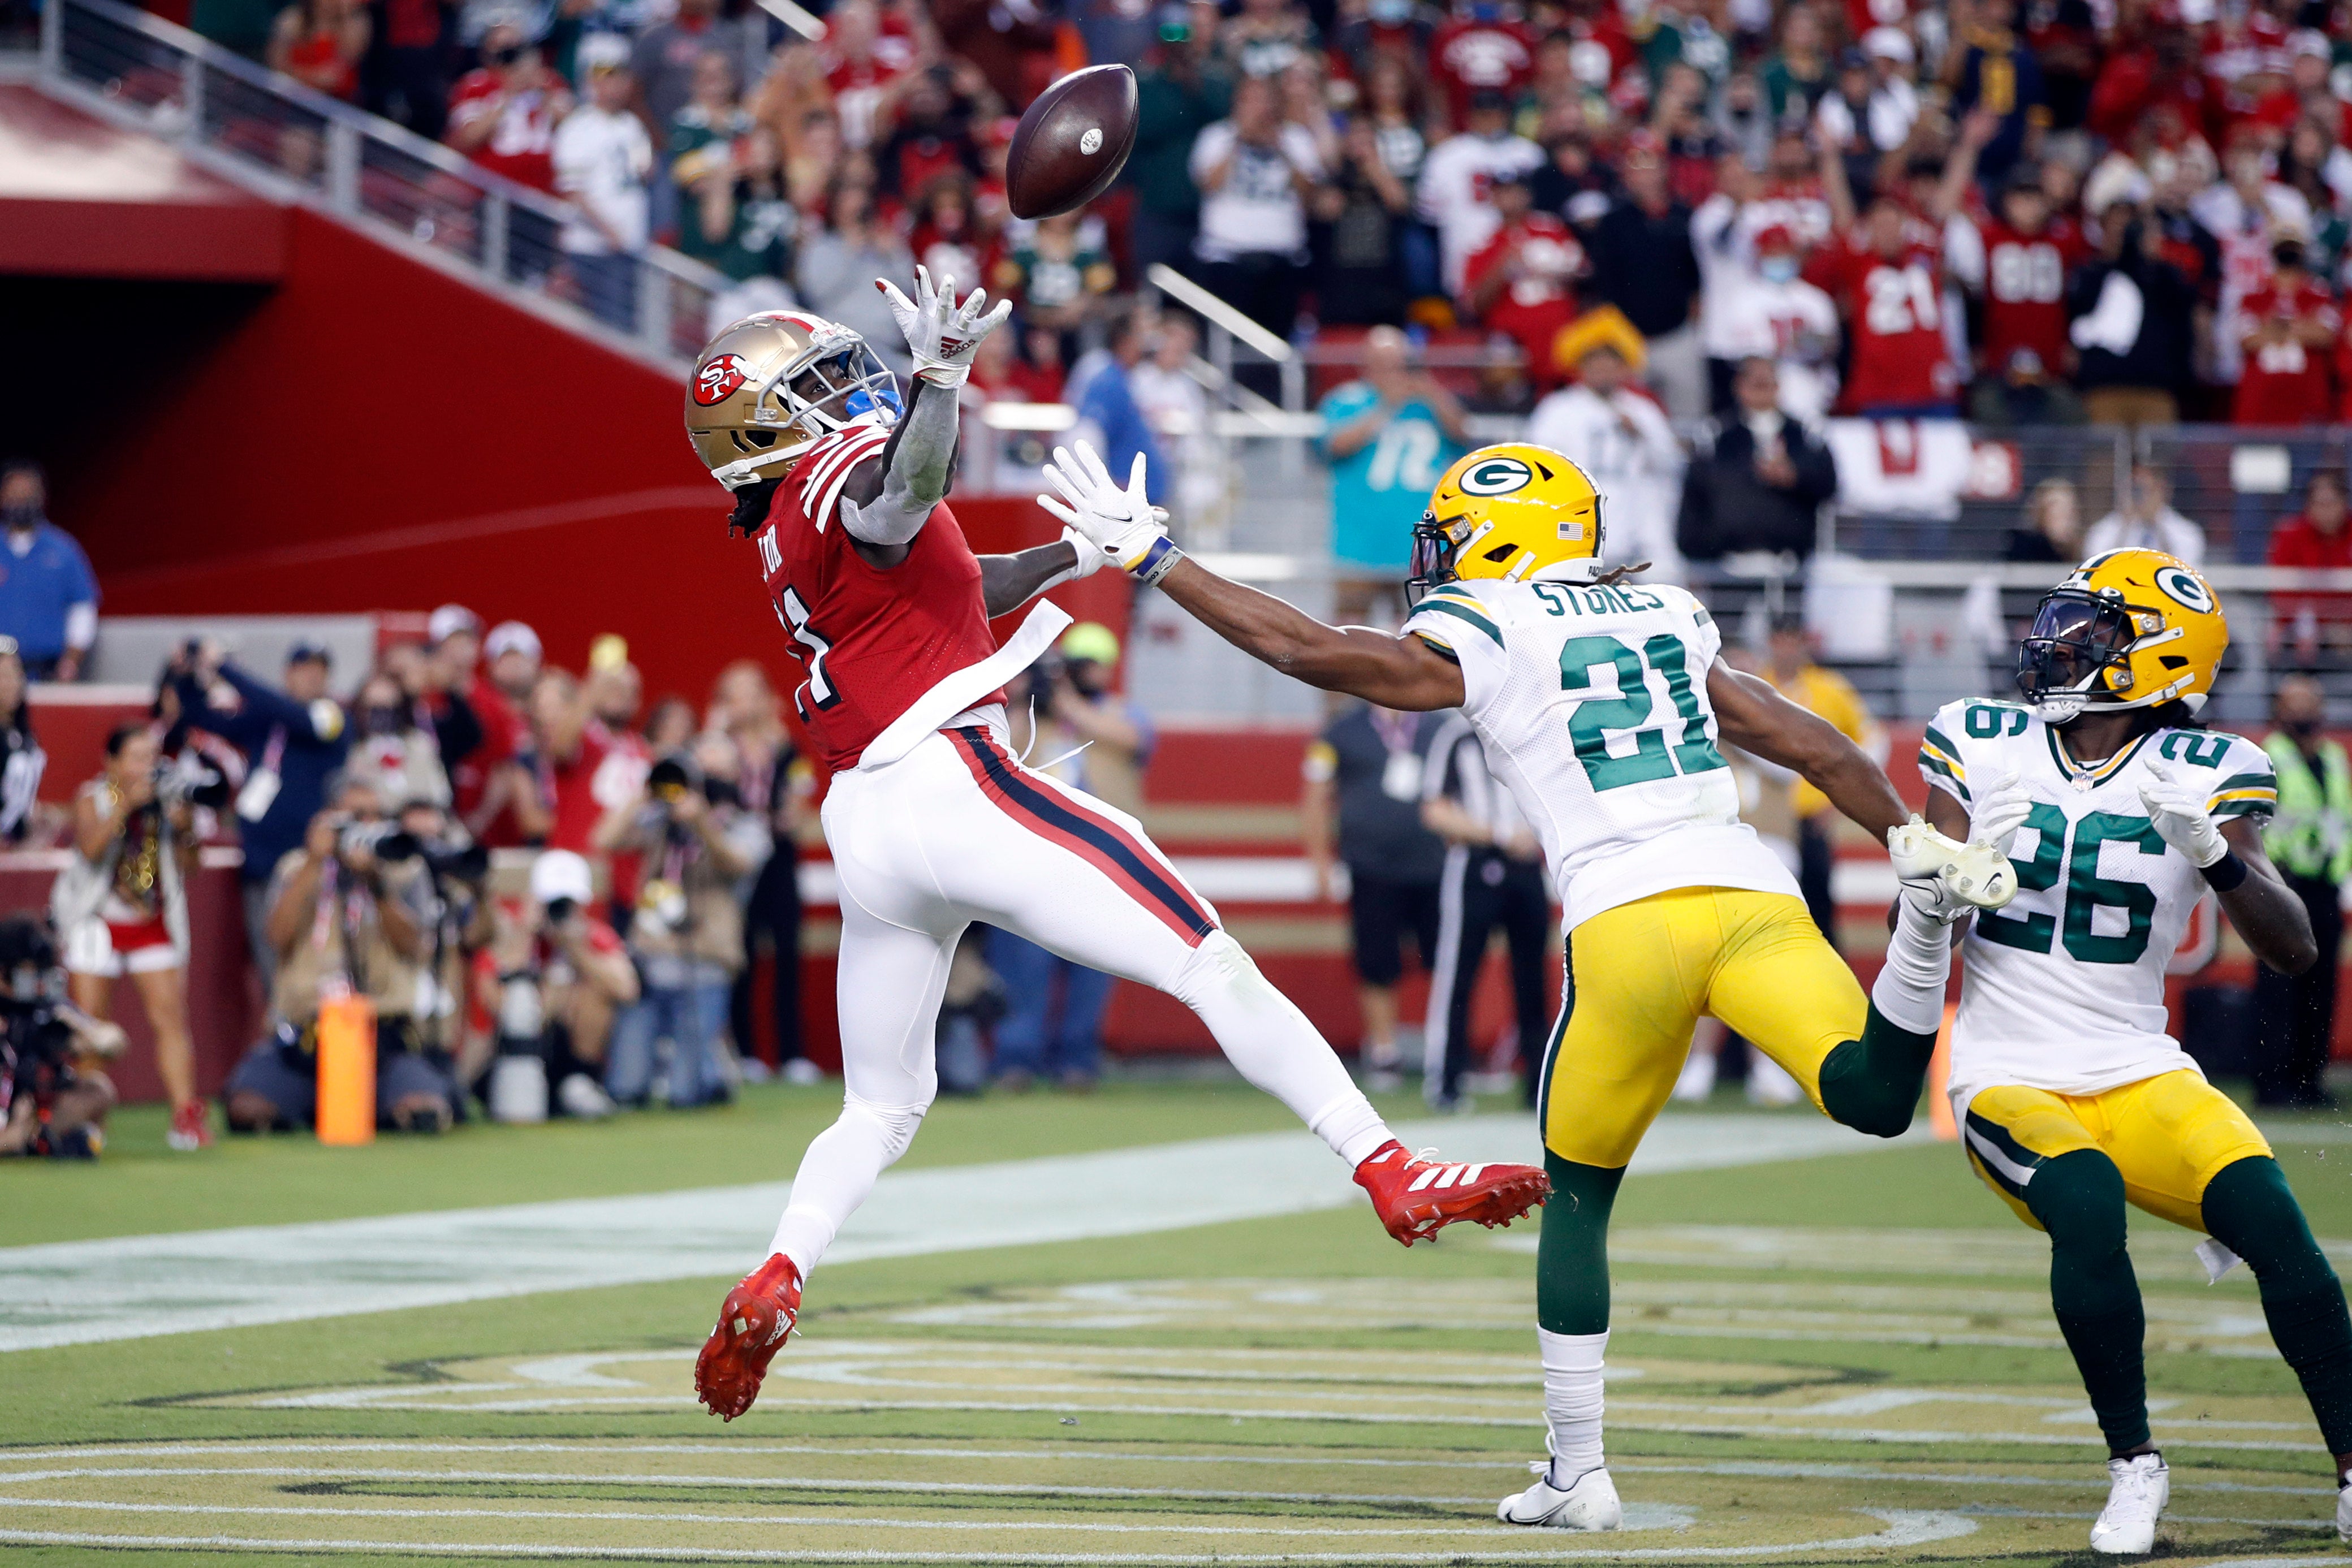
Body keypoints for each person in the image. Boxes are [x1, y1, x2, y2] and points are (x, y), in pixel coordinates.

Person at [1044, 434, 2009, 1533]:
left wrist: (1161, 562)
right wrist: (1907, 837)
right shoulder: (1669, 612)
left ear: (1509, 535)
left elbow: (1315, 652)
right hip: (1750, 897)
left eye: (1452, 539)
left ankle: (1577, 1473)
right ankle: (1924, 932)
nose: (1439, 559)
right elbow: (1814, 746)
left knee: (1578, 1199)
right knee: (1878, 1100)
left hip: (1626, 922)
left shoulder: (1493, 623)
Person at [680, 278, 1544, 1423]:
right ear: (767, 428)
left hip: (869, 822)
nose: (847, 390)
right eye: (815, 386)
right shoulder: (839, 476)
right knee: (1206, 957)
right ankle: (1387, 1167)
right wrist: (941, 376)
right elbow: (906, 497)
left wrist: (1067, 558)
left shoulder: (782, 536)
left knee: (881, 1106)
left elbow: (946, 586)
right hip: (953, 779)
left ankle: (780, 1268)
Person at [1917, 551, 2352, 1554]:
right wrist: (1948, 870)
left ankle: (2345, 1466)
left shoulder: (2207, 769)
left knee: (2272, 1221)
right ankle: (2133, 1465)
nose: (2059, 641)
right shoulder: (1982, 739)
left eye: (2094, 628)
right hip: (2007, 1068)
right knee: (2081, 1199)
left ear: (2153, 655)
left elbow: (2290, 946)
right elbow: (1926, 898)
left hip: (2135, 1061)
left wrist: (2210, 853)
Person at [221, 776, 458, 1133]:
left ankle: (373, 1104)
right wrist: (316, 864)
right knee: (246, 1109)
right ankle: (320, 1104)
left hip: (384, 1036)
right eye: (356, 816)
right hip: (308, 1037)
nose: (368, 826)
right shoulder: (296, 867)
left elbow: (416, 946)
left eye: (376, 816)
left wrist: (377, 885)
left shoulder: (405, 869)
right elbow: (277, 938)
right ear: (328, 819)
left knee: (422, 1111)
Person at [990, 622, 1157, 1092]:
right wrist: (1024, 697)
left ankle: (1077, 1059)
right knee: (1023, 963)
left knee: (1094, 964)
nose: (1085, 673)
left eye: (1090, 665)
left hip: (1102, 861)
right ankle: (1015, 1058)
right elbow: (1001, 749)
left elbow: (1129, 739)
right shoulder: (1034, 718)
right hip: (1034, 858)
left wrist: (1067, 702)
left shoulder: (1122, 714)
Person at [51, 724, 206, 1150]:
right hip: (96, 920)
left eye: (151, 755)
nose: (147, 766)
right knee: (92, 1025)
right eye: (137, 756)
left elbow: (192, 865)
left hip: (150, 921)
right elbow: (90, 848)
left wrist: (186, 827)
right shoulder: (92, 796)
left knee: (170, 1017)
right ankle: (87, 1117)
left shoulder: (169, 797)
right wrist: (125, 808)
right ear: (113, 762)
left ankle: (184, 1115)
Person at [172, 641, 350, 992]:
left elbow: (292, 715)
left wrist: (225, 668)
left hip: (307, 862)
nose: (313, 677)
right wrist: (187, 676)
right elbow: (201, 717)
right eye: (304, 669)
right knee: (270, 956)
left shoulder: (332, 718)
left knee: (315, 957)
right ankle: (283, 1034)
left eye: (320, 670)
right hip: (262, 860)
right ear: (288, 674)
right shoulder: (267, 719)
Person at [596, 743, 764, 1108]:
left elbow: (737, 863)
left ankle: (712, 1070)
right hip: (651, 952)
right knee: (625, 1088)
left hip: (704, 957)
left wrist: (700, 823)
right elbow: (603, 840)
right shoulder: (659, 822)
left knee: (687, 1095)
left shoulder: (745, 823)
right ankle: (701, 1067)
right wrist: (641, 797)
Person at [1301, 697, 1449, 1093]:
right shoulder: (1342, 731)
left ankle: (1446, 1048)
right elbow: (1316, 795)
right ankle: (1384, 1050)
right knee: (1376, 960)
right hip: (1370, 865)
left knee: (1446, 960)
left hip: (1434, 863)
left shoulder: (1438, 727)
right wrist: (1319, 861)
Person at [1419, 709, 1551, 1111]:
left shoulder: (1535, 731)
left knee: (1533, 981)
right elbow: (1434, 810)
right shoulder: (1457, 736)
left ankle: (1538, 1087)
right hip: (1475, 864)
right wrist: (1496, 834)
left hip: (1529, 868)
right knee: (1458, 975)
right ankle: (1445, 1082)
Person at [1315, 326, 1470, 627]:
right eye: (1383, 363)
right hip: (1358, 545)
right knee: (1350, 632)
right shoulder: (1347, 400)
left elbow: (1462, 436)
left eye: (1400, 363)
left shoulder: (1430, 403)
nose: (1392, 371)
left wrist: (1433, 393)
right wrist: (1387, 405)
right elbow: (1334, 446)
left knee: (1424, 630)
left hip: (1421, 548)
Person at [473, 848, 639, 1116]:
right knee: (531, 993)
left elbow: (626, 988)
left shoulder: (592, 935)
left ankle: (580, 1079)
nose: (560, 911)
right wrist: (526, 935)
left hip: (571, 1048)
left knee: (595, 990)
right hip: (519, 1049)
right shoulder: (512, 935)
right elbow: (494, 1001)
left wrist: (577, 952)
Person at [2254, 674, 2349, 1109]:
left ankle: (2309, 1080)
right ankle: (2272, 1083)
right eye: (2295, 703)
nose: (2304, 712)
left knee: (2321, 986)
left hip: (2326, 884)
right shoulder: (2266, 754)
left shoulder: (2333, 755)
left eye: (2309, 702)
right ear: (2278, 710)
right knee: (2277, 986)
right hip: (2281, 883)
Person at [1526, 316, 1682, 579]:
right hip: (1578, 521)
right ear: (1580, 366)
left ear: (1624, 367)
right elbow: (1540, 466)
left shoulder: (1642, 410)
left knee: (1664, 577)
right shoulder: (1557, 409)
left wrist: (1641, 434)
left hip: (1638, 523)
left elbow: (1673, 462)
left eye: (1611, 362)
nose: (1603, 369)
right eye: (1594, 361)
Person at [1763, 614, 1883, 948]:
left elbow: (1871, 740)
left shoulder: (1830, 688)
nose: (1786, 648)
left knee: (1819, 899)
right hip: (1769, 818)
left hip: (1811, 814)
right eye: (1780, 640)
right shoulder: (1755, 683)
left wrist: (1840, 796)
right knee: (1772, 898)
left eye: (1793, 640)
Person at [1187, 74, 1326, 338]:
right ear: (1238, 103)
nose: (1260, 108)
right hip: (1227, 260)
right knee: (1232, 344)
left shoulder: (1296, 139)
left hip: (1282, 260)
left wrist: (1281, 147)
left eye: (1265, 100)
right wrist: (1240, 140)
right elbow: (1210, 184)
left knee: (1276, 344)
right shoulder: (1216, 136)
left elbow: (1310, 194)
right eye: (1252, 101)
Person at [1676, 357, 1839, 563]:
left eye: (1766, 383)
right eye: (1754, 383)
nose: (1761, 390)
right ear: (1739, 386)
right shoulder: (1714, 437)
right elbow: (1695, 498)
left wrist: (1795, 475)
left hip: (1789, 561)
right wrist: (1697, 553)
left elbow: (1829, 485)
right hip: (1727, 563)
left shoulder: (1805, 434)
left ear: (1778, 386)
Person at [553, 43, 652, 334]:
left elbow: (644, 172)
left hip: (629, 250)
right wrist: (610, 231)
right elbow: (573, 192)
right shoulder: (578, 126)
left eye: (619, 76)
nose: (614, 84)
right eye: (606, 76)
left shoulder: (631, 124)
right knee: (606, 334)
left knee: (629, 334)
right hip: (592, 248)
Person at [0, 463, 97, 683]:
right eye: (14, 496)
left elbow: (82, 611)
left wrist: (71, 661)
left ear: (42, 497)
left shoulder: (64, 550)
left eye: (28, 496)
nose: (21, 502)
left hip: (46, 671)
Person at [2271, 473, 2352, 660]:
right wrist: (2306, 620)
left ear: (2344, 503)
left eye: (2331, 504)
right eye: (2319, 504)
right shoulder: (2290, 535)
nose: (2326, 511)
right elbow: (2281, 591)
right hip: (2301, 625)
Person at [2082, 464, 2205, 566]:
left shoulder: (2186, 532)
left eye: (2148, 490)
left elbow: (2185, 566)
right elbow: (2097, 562)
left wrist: (2156, 523)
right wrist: (2125, 524)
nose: (2142, 497)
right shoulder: (2108, 529)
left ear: (2162, 490)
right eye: (2136, 490)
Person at [0, 639, 47, 844]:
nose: (12, 683)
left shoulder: (22, 733)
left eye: (16, 674)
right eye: (3, 676)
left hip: (16, 845)